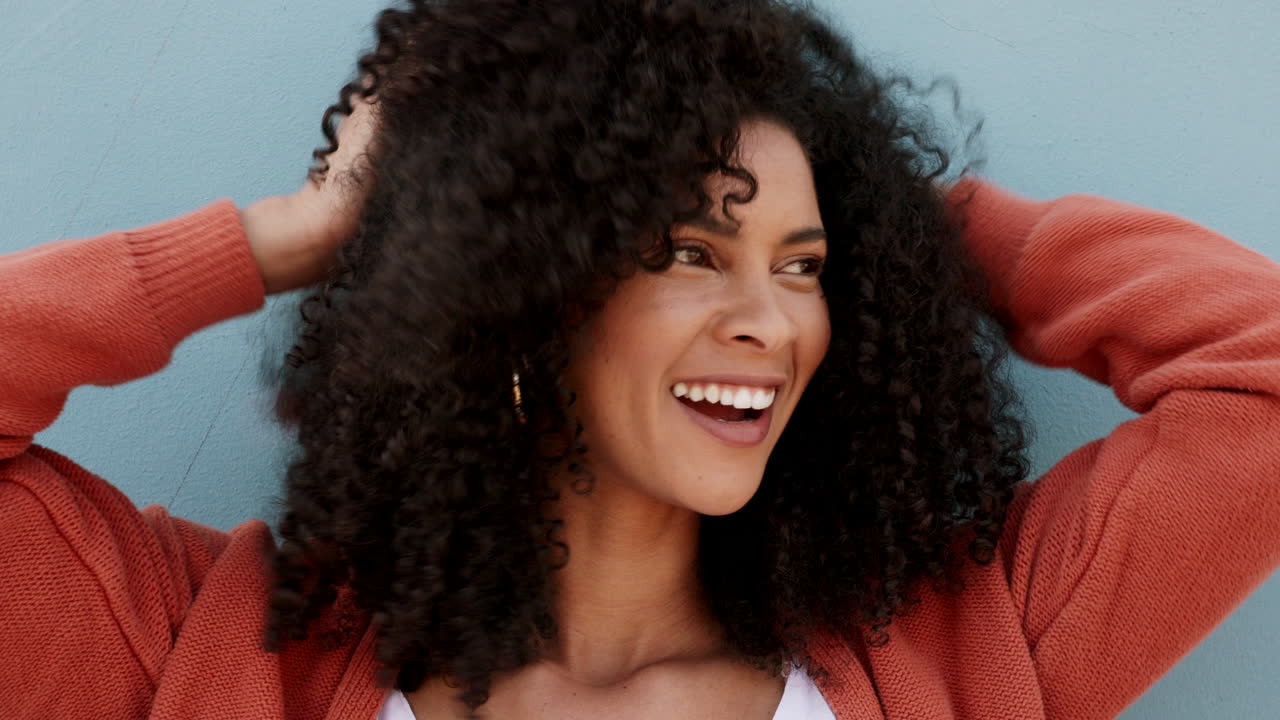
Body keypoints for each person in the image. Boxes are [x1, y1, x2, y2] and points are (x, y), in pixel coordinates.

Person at [2, 0, 1278, 718]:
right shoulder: (220, 653)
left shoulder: (958, 655)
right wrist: (306, 234)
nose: (769, 321)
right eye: (687, 251)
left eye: (802, 265)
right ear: (524, 290)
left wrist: (892, 214)